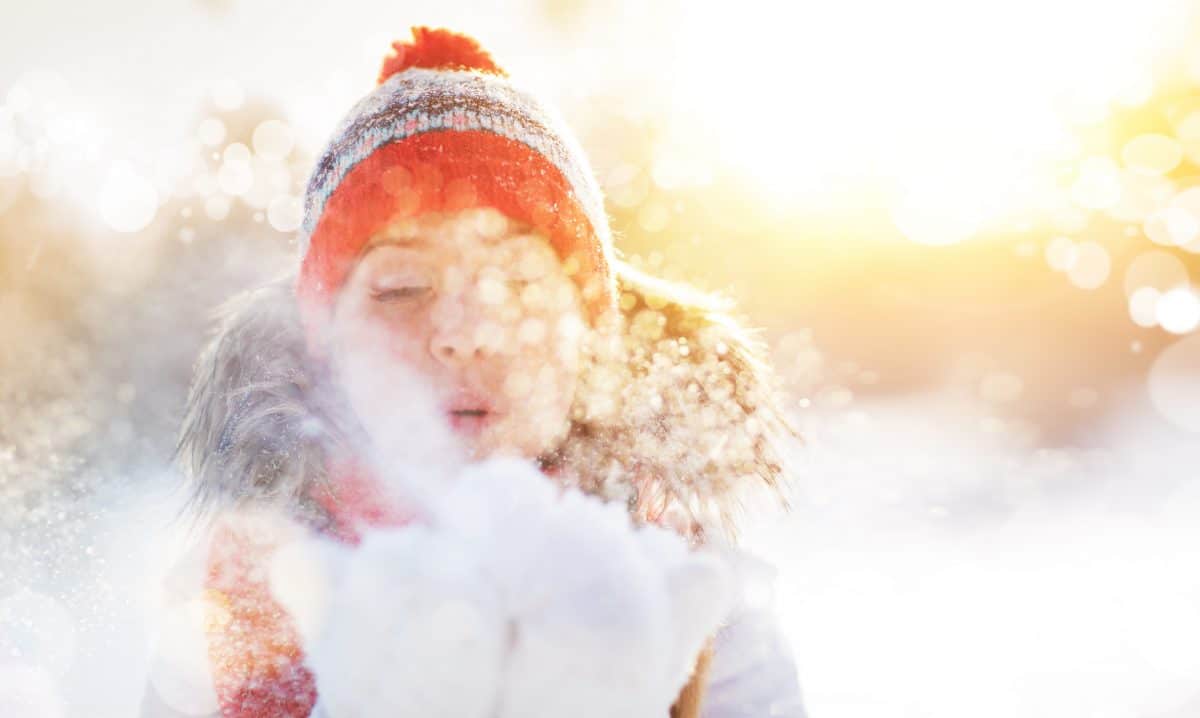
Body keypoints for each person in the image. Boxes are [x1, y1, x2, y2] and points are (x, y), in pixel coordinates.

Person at [176, 26, 805, 718]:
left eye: (516, 283)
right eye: (402, 287)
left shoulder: (683, 581)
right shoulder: (250, 596)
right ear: (328, 340)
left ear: (586, 333)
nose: (464, 333)